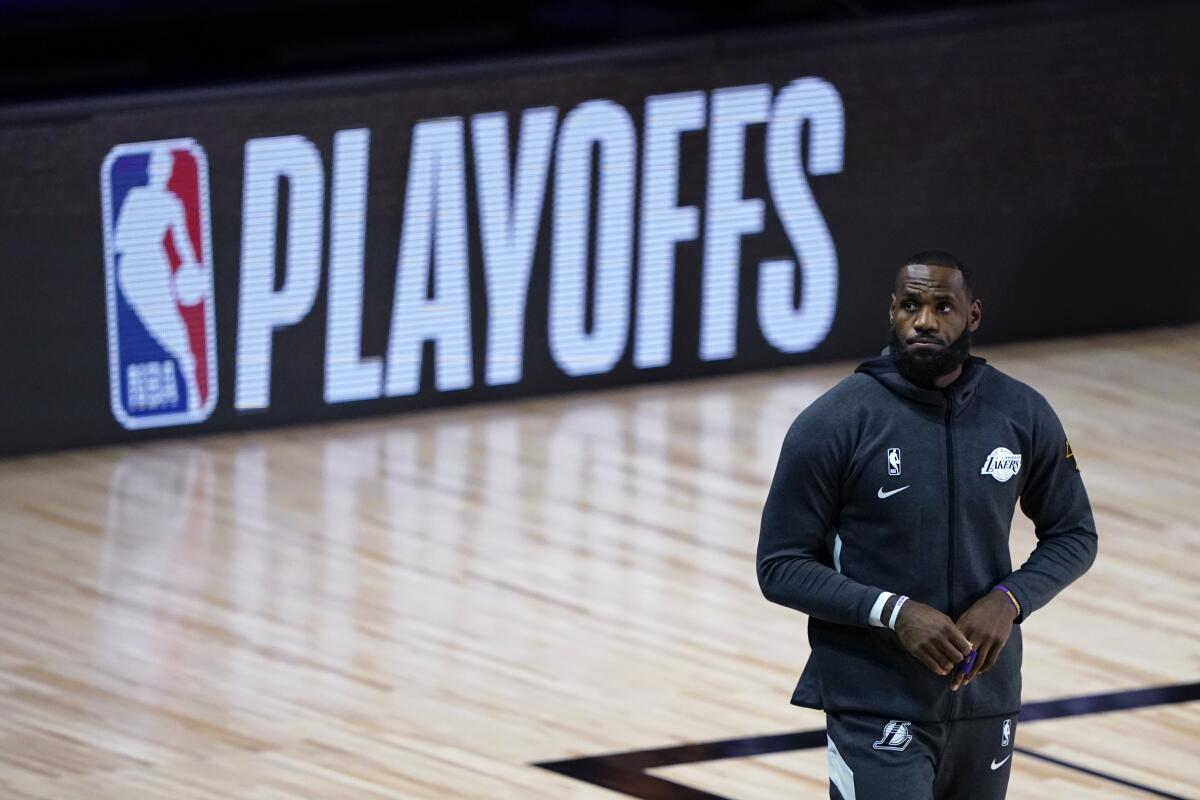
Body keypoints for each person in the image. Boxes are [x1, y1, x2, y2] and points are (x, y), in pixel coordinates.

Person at [757, 251, 1097, 800]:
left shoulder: (1021, 412)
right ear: (891, 310)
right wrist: (896, 613)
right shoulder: (834, 422)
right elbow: (781, 566)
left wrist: (1009, 600)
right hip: (874, 703)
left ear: (973, 316)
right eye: (911, 305)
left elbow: (1074, 534)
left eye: (943, 307)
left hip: (988, 700)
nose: (924, 320)